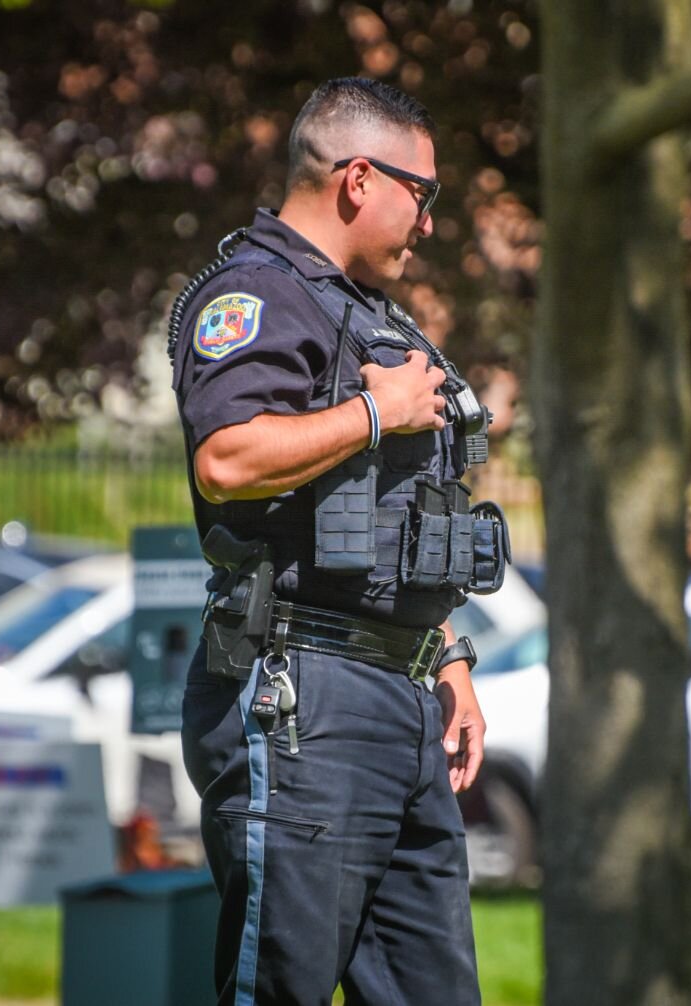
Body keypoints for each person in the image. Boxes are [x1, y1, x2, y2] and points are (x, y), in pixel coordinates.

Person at [169, 78, 506, 1006]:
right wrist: (372, 412)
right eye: (422, 193)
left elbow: (395, 517)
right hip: (300, 696)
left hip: (396, 698)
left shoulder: (368, 312)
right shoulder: (256, 296)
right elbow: (229, 460)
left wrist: (444, 653)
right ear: (359, 178)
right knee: (281, 989)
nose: (429, 221)